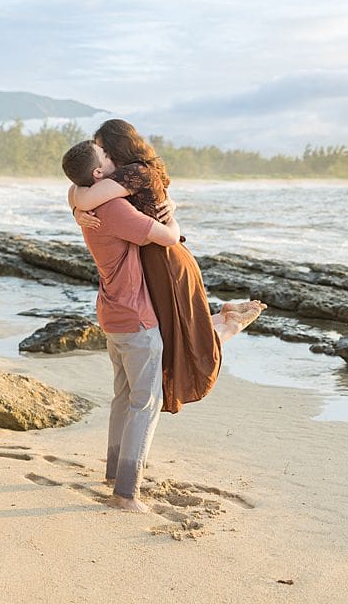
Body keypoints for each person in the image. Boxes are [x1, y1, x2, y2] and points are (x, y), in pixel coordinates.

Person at [69, 119, 262, 413]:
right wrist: (76, 207)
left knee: (180, 338)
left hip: (166, 260)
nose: (102, 158)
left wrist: (76, 207)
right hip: (158, 256)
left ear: (116, 150)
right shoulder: (135, 173)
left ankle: (230, 325)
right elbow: (80, 188)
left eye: (104, 151)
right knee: (175, 333)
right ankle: (227, 319)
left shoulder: (132, 173)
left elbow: (84, 194)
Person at [61, 139, 179, 513]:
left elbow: (73, 192)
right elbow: (169, 238)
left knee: (124, 398)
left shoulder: (89, 204)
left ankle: (115, 473)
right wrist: (171, 212)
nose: (113, 159)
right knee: (145, 404)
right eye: (107, 158)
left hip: (112, 313)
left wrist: (74, 204)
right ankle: (125, 494)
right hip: (137, 318)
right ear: (98, 172)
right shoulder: (113, 209)